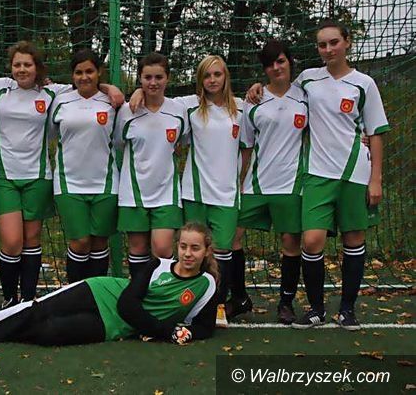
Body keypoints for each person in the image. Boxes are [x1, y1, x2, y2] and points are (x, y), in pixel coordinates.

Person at [0, 42, 124, 308]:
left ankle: (28, 300)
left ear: (37, 68)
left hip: (38, 176)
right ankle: (9, 299)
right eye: (17, 65)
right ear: (11, 68)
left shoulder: (53, 93)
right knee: (12, 242)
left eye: (28, 64)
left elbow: (85, 86)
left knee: (33, 240)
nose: (22, 69)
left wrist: (110, 88)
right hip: (3, 175)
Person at [247, 21, 389, 330]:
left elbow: (376, 132)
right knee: (311, 241)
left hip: (355, 172)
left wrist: (376, 178)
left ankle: (348, 309)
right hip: (316, 174)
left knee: (354, 239)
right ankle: (316, 309)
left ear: (347, 42)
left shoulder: (364, 84)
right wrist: (257, 87)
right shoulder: (308, 80)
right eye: (322, 45)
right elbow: (279, 90)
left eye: (333, 42)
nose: (328, 49)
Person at [0, 222, 218, 347]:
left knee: (49, 332)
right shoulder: (158, 266)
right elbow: (127, 304)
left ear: (206, 251)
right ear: (177, 247)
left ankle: (4, 332)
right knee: (36, 309)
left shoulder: (207, 286)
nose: (188, 254)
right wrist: (165, 331)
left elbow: (205, 327)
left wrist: (186, 333)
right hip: (100, 292)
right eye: (183, 246)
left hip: (113, 327)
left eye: (195, 248)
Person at [132, 55, 244, 327]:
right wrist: (137, 91)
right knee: (192, 251)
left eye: (217, 74)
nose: (212, 80)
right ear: (200, 80)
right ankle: (191, 303)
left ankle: (218, 305)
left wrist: (239, 180)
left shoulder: (242, 108)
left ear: (226, 76)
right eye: (207, 75)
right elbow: (156, 99)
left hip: (227, 193)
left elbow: (247, 148)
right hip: (195, 192)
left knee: (222, 251)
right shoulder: (188, 106)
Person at [228, 41, 306, 324]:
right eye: (270, 64)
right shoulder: (254, 100)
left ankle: (286, 303)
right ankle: (239, 297)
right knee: (231, 237)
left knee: (290, 242)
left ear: (290, 62)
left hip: (291, 183)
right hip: (256, 184)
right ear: (264, 69)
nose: (276, 67)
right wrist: (240, 181)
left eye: (281, 61)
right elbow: (247, 145)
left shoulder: (305, 96)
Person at [50, 50, 120, 283]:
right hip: (69, 182)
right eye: (78, 72)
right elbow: (51, 133)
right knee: (80, 242)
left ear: (99, 72)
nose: (84, 77)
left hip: (105, 183)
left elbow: (120, 138)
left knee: (99, 241)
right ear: (72, 75)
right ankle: (74, 294)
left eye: (89, 71)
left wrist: (110, 89)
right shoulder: (61, 101)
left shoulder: (112, 102)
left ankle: (96, 296)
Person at [114, 52, 185, 279]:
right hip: (134, 192)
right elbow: (118, 143)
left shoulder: (179, 110)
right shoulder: (127, 111)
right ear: (140, 79)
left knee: (162, 249)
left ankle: (162, 293)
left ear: (168, 78)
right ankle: (138, 294)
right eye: (147, 78)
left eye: (158, 77)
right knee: (137, 249)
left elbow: (182, 142)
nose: (153, 83)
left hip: (166, 192)